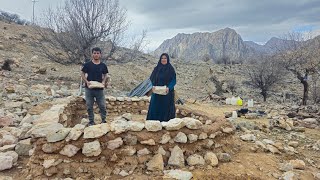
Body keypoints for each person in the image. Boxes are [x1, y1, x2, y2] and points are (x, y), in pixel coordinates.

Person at [81, 47, 109, 126]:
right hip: (89, 89)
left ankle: (103, 120)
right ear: (92, 54)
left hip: (99, 89)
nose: (96, 55)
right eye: (94, 53)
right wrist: (86, 82)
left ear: (100, 54)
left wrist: (103, 82)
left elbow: (106, 74)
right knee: (89, 106)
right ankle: (91, 122)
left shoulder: (103, 65)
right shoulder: (88, 64)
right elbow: (82, 73)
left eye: (97, 53)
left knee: (102, 106)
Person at [147, 53, 176, 122]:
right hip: (157, 92)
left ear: (167, 59)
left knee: (165, 107)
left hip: (167, 92)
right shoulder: (156, 69)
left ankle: (166, 123)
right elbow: (152, 79)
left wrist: (169, 87)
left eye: (165, 58)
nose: (163, 59)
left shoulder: (171, 69)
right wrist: (153, 86)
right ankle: (153, 123)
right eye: (162, 58)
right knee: (155, 106)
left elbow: (173, 80)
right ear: (160, 59)